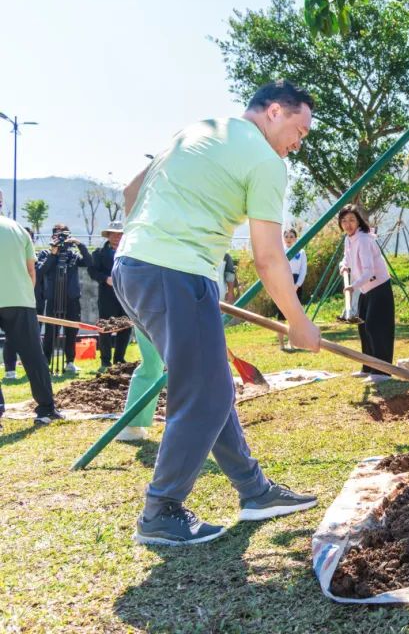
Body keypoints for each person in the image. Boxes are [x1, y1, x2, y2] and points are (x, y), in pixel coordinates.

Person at [113, 79, 322, 546]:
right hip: (175, 273)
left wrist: (155, 240)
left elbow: (132, 192)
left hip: (133, 267)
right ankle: (161, 511)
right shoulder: (266, 162)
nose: (298, 143)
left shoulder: (200, 129)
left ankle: (254, 490)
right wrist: (297, 319)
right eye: (299, 129)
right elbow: (268, 257)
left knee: (209, 386)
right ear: (273, 111)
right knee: (205, 394)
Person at [0, 198, 62, 426]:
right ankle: (46, 409)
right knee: (33, 356)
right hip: (19, 299)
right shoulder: (17, 228)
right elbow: (31, 270)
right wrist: (27, 296)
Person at [338, 204, 394, 380]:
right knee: (363, 327)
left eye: (352, 220)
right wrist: (343, 265)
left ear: (358, 221)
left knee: (376, 327)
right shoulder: (349, 239)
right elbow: (347, 257)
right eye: (344, 221)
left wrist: (352, 286)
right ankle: (368, 368)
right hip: (365, 289)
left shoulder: (363, 239)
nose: (348, 224)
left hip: (379, 287)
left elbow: (369, 271)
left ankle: (382, 371)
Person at [40, 223, 91, 373]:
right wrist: (53, 254)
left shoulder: (73, 255)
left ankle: (70, 362)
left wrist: (79, 244)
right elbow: (41, 271)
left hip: (72, 299)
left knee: (71, 331)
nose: (61, 238)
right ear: (52, 236)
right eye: (57, 234)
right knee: (51, 332)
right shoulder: (45, 254)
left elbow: (89, 262)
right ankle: (46, 362)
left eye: (64, 235)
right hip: (53, 299)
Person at [4, 227, 45, 380]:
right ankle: (10, 368)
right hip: (20, 299)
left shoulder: (39, 254)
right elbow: (31, 271)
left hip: (28, 299)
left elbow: (35, 271)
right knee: (17, 341)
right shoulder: (17, 236)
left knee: (30, 344)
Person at [89, 221, 131, 371]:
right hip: (107, 295)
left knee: (126, 326)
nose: (116, 237)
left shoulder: (129, 252)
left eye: (119, 234)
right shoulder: (99, 253)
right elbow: (92, 272)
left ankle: (119, 358)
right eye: (113, 234)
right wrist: (105, 279)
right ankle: (105, 361)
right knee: (106, 327)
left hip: (126, 295)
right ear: (108, 235)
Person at [275, 228, 308, 350]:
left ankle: (292, 343)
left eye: (291, 236)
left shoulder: (301, 252)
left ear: (296, 238)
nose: (289, 239)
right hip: (282, 283)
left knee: (294, 315)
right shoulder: (280, 251)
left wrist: (297, 285)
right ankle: (281, 344)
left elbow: (303, 270)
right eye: (286, 236)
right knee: (281, 315)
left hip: (296, 284)